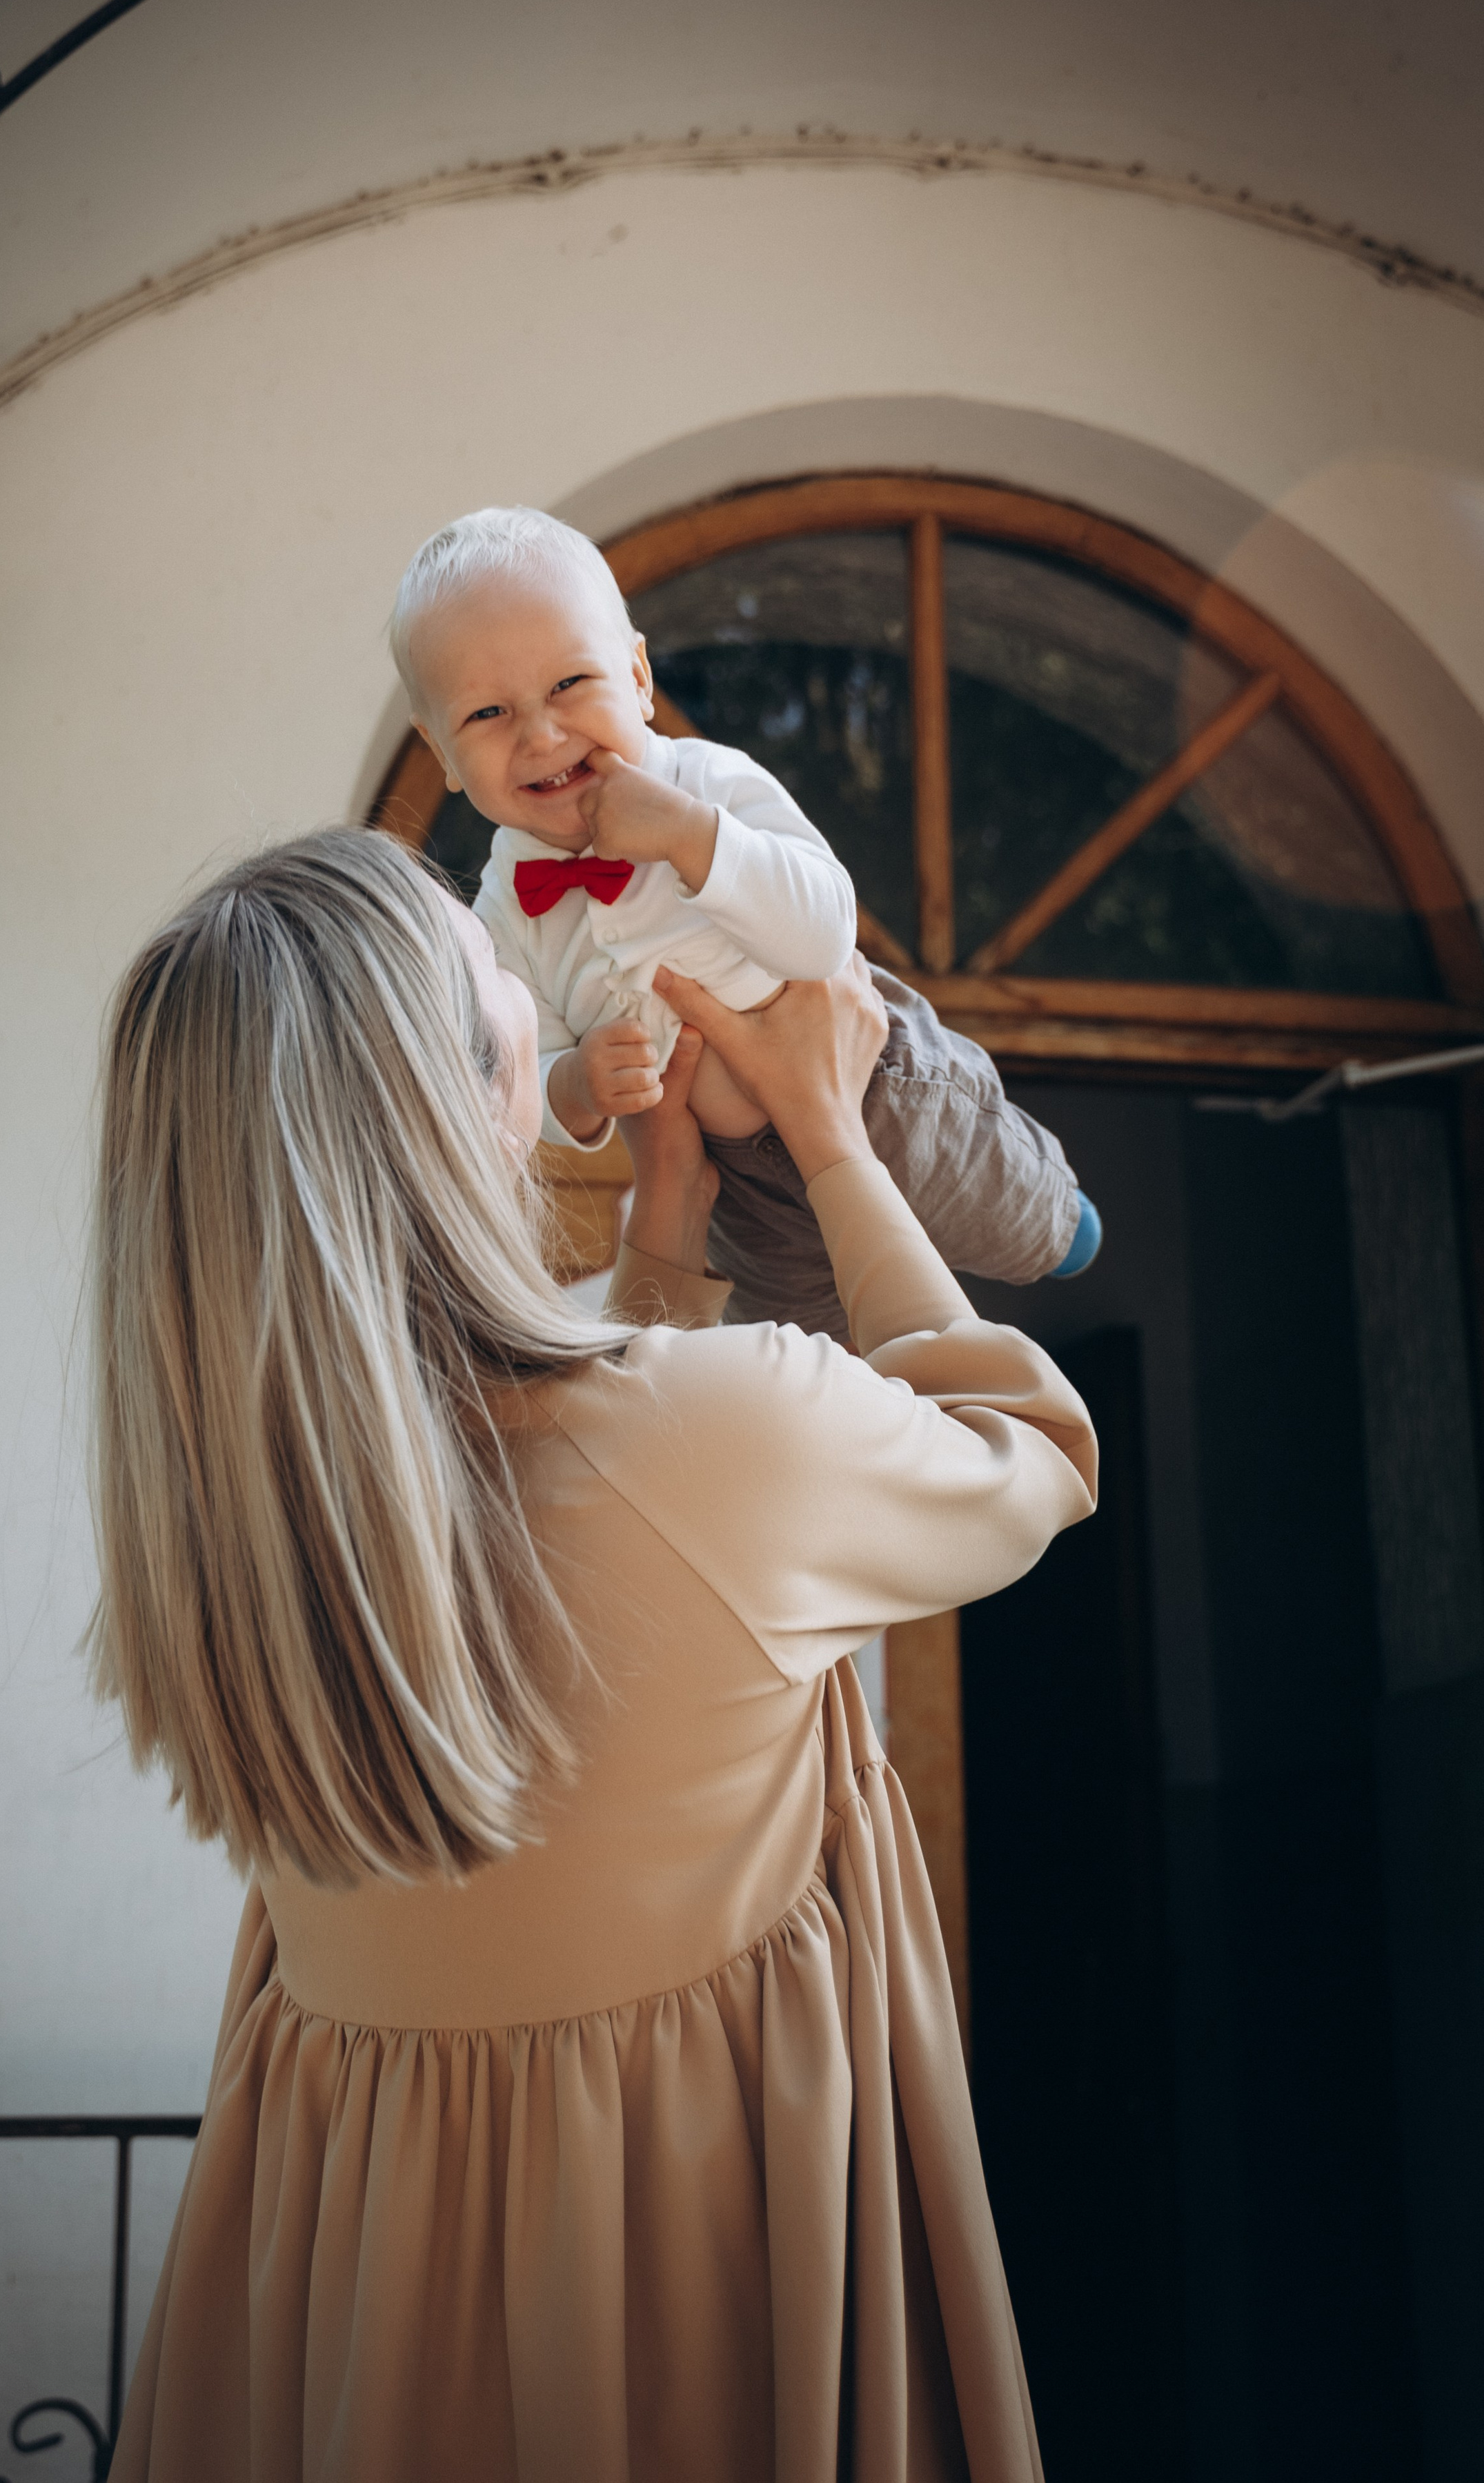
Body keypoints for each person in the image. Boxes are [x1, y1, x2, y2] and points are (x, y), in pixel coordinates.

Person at [93, 826, 1096, 2483]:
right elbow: (1027, 1442)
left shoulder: (246, 1530)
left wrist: (660, 1236)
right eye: (501, 978)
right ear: (474, 1094)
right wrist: (837, 1140)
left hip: (361, 2303)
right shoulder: (732, 1430)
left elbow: (564, 1496)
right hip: (683, 2280)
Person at [390, 506, 1102, 1339]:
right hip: (734, 1185)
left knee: (999, 1202)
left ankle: (1060, 1222)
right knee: (814, 1352)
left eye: (568, 685)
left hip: (873, 1089)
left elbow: (826, 931)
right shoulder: (504, 908)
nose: (542, 734)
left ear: (638, 678)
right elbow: (523, 1069)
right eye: (487, 715)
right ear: (438, 751)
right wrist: (577, 1084)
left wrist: (692, 838)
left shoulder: (711, 783)